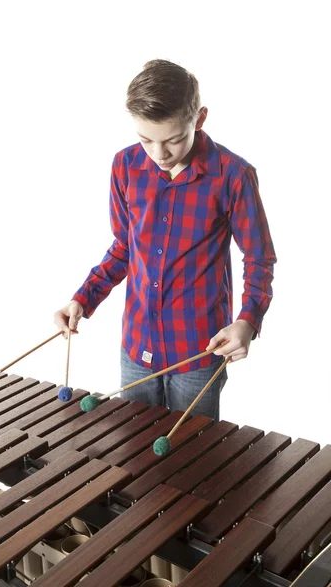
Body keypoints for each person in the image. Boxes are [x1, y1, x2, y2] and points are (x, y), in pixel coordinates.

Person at [54, 59, 276, 422]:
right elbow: (125, 247)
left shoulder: (233, 176)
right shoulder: (124, 166)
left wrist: (247, 321)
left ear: (199, 119)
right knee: (133, 454)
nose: (159, 154)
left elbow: (259, 258)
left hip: (199, 351)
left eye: (173, 140)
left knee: (193, 461)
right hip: (137, 346)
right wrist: (83, 297)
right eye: (146, 140)